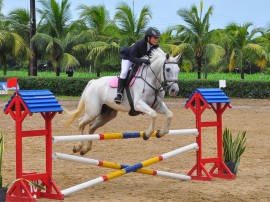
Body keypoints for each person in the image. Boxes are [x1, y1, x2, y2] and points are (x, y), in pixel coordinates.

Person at [114, 27, 161, 104]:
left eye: (157, 38)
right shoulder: (140, 43)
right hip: (128, 58)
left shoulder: (155, 46)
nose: (156, 40)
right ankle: (119, 94)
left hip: (139, 60)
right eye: (155, 38)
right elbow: (131, 57)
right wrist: (142, 61)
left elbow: (161, 54)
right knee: (124, 72)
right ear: (148, 38)